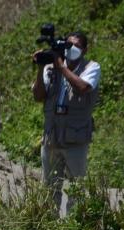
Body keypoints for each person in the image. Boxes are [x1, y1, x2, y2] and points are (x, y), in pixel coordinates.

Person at [32, 31, 100, 210]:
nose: (72, 49)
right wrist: (40, 68)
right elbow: (38, 96)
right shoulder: (50, 68)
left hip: (75, 138)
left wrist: (62, 67)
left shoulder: (91, 67)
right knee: (49, 187)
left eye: (77, 46)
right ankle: (49, 226)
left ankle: (73, 228)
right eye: (69, 45)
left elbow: (83, 87)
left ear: (85, 49)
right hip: (51, 136)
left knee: (77, 188)